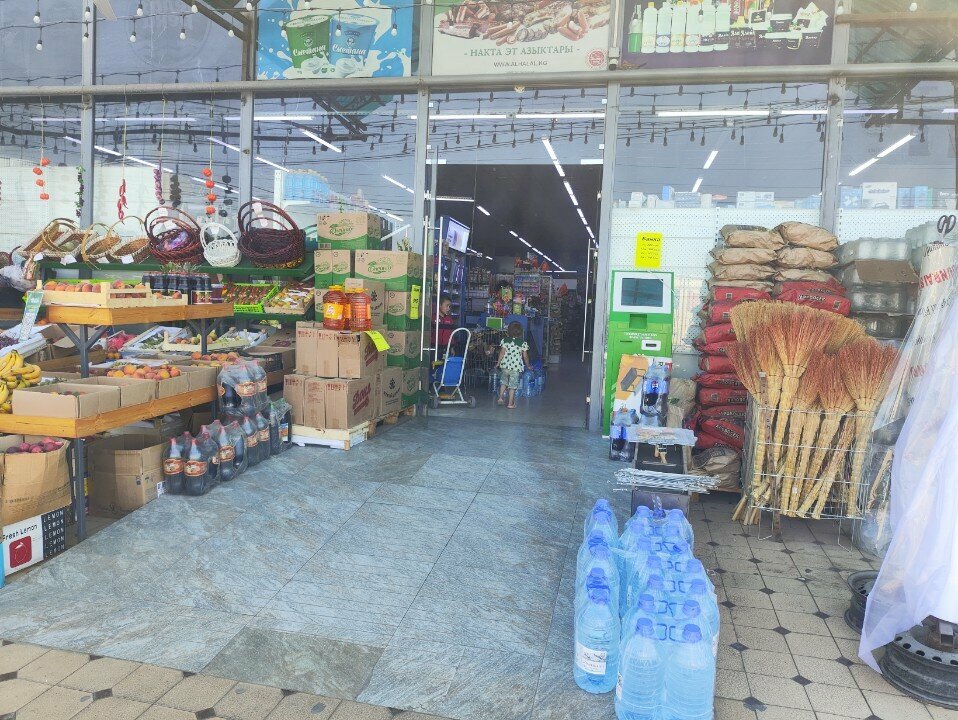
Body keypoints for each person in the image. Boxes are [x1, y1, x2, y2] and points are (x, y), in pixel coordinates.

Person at [496, 321, 530, 409]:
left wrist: (498, 363)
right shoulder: (523, 343)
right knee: (512, 386)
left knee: (503, 382)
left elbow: (502, 353)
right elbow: (525, 356)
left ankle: (500, 398)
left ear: (508, 331)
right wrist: (528, 365)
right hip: (515, 368)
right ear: (521, 332)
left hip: (505, 366)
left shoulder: (504, 341)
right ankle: (510, 404)